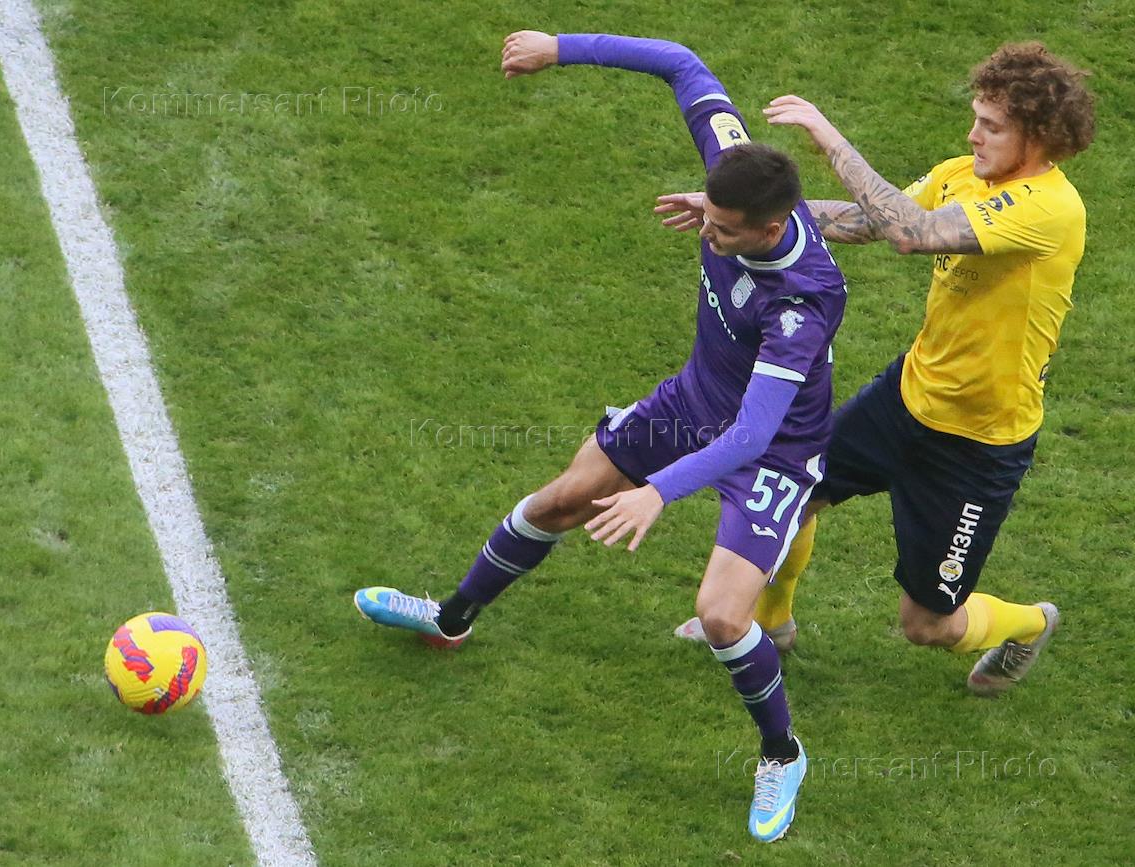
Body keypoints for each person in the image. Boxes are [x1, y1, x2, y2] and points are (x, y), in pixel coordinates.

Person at [354, 30, 849, 841]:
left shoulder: (800, 304)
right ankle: (451, 617)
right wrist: (558, 47)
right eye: (708, 212)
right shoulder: (739, 171)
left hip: (772, 450)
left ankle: (781, 752)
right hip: (691, 401)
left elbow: (752, 431)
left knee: (723, 616)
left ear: (770, 229)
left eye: (724, 228)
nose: (707, 230)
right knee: (560, 501)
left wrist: (658, 491)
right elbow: (683, 63)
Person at [670, 42, 1095, 697]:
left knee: (928, 625)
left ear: (1036, 138)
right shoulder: (961, 173)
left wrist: (828, 137)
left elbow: (911, 232)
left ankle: (1031, 624)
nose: (972, 135)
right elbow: (868, 221)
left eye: (990, 126)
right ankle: (771, 623)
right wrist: (747, 219)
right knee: (793, 492)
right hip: (907, 395)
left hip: (977, 443)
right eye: (976, 118)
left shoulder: (1050, 208)